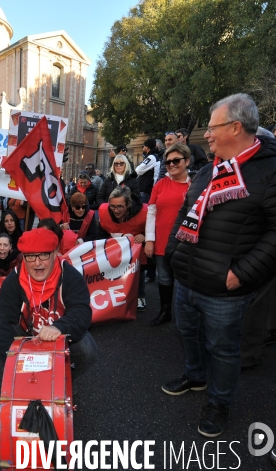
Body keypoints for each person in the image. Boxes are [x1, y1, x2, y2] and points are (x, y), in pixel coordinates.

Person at [163, 93, 276, 438]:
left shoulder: (270, 171)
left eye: (212, 128)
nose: (206, 135)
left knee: (224, 349)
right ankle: (195, 376)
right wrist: (172, 251)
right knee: (188, 333)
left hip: (226, 289)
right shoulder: (211, 169)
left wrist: (241, 274)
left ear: (236, 127)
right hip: (187, 277)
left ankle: (219, 403)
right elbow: (186, 212)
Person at [0, 228, 97, 377]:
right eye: (30, 256)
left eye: (43, 255)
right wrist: (16, 361)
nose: (37, 263)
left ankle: (64, 380)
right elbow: (2, 322)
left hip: (60, 332)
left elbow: (82, 312)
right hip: (26, 332)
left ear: (55, 253)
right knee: (9, 348)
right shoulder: (14, 280)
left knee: (87, 350)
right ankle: (32, 380)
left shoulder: (69, 275)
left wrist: (59, 327)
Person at [144, 143, 191, 326]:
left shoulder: (195, 184)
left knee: (183, 281)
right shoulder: (160, 184)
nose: (171, 164)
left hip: (186, 243)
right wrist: (149, 240)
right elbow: (151, 213)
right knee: (164, 278)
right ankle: (165, 312)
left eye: (176, 160)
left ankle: (185, 317)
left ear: (186, 161)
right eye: (168, 161)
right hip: (162, 241)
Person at [98, 186, 148, 311]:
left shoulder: (144, 213)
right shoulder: (104, 211)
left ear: (128, 204)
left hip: (136, 248)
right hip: (115, 246)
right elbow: (101, 233)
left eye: (120, 206)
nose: (116, 210)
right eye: (113, 206)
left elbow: (154, 229)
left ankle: (140, 295)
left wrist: (145, 236)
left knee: (139, 267)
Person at [135, 139, 161, 203]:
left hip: (146, 191)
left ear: (146, 147)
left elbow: (138, 170)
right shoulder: (155, 156)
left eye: (143, 146)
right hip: (148, 191)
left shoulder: (151, 157)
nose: (142, 148)